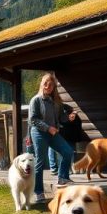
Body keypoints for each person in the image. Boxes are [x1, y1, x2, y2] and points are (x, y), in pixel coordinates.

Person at [29, 72, 74, 202]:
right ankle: (38, 192)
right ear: (42, 85)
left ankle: (62, 178)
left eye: (51, 84)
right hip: (39, 133)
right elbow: (33, 120)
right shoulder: (36, 100)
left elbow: (61, 118)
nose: (48, 86)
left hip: (53, 133)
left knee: (68, 151)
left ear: (54, 87)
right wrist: (48, 128)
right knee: (40, 162)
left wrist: (69, 118)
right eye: (45, 83)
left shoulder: (56, 101)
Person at [49, 103, 83, 174]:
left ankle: (57, 168)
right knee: (69, 152)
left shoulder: (61, 112)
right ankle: (69, 168)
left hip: (65, 136)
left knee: (59, 152)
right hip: (71, 137)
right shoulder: (71, 114)